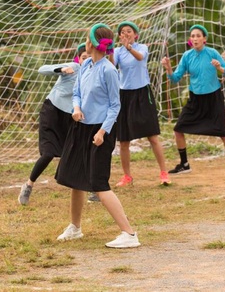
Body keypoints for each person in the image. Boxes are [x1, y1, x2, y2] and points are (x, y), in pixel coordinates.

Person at [55, 23, 140, 249]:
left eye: (86, 38)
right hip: (81, 128)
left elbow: (115, 106)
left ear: (92, 43)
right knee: (75, 179)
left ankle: (129, 234)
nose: (85, 41)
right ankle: (75, 227)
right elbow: (76, 93)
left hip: (100, 132)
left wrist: (103, 131)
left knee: (99, 184)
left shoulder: (109, 70)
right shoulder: (85, 66)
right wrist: (76, 108)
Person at [161, 24, 225, 179]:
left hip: (213, 99)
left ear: (204, 39)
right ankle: (184, 164)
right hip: (195, 100)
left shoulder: (212, 53)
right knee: (178, 129)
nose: (195, 38)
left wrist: (220, 68)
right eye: (192, 36)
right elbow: (175, 78)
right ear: (190, 40)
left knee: (224, 135)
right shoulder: (187, 56)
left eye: (198, 36)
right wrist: (169, 69)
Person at [18, 44, 89, 205]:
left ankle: (90, 188)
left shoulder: (93, 75)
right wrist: (61, 69)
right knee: (48, 153)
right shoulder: (72, 67)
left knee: (75, 152)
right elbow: (42, 69)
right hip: (52, 112)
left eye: (90, 57)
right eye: (84, 57)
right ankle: (28, 185)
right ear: (79, 58)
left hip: (71, 118)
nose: (87, 60)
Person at [110, 21, 171, 187]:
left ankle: (164, 172)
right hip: (124, 96)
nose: (126, 34)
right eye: (122, 32)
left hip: (143, 94)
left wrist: (129, 47)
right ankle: (127, 176)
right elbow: (110, 65)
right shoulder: (118, 51)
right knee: (123, 140)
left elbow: (140, 58)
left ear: (135, 34)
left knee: (152, 136)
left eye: (129, 31)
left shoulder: (142, 47)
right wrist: (108, 49)